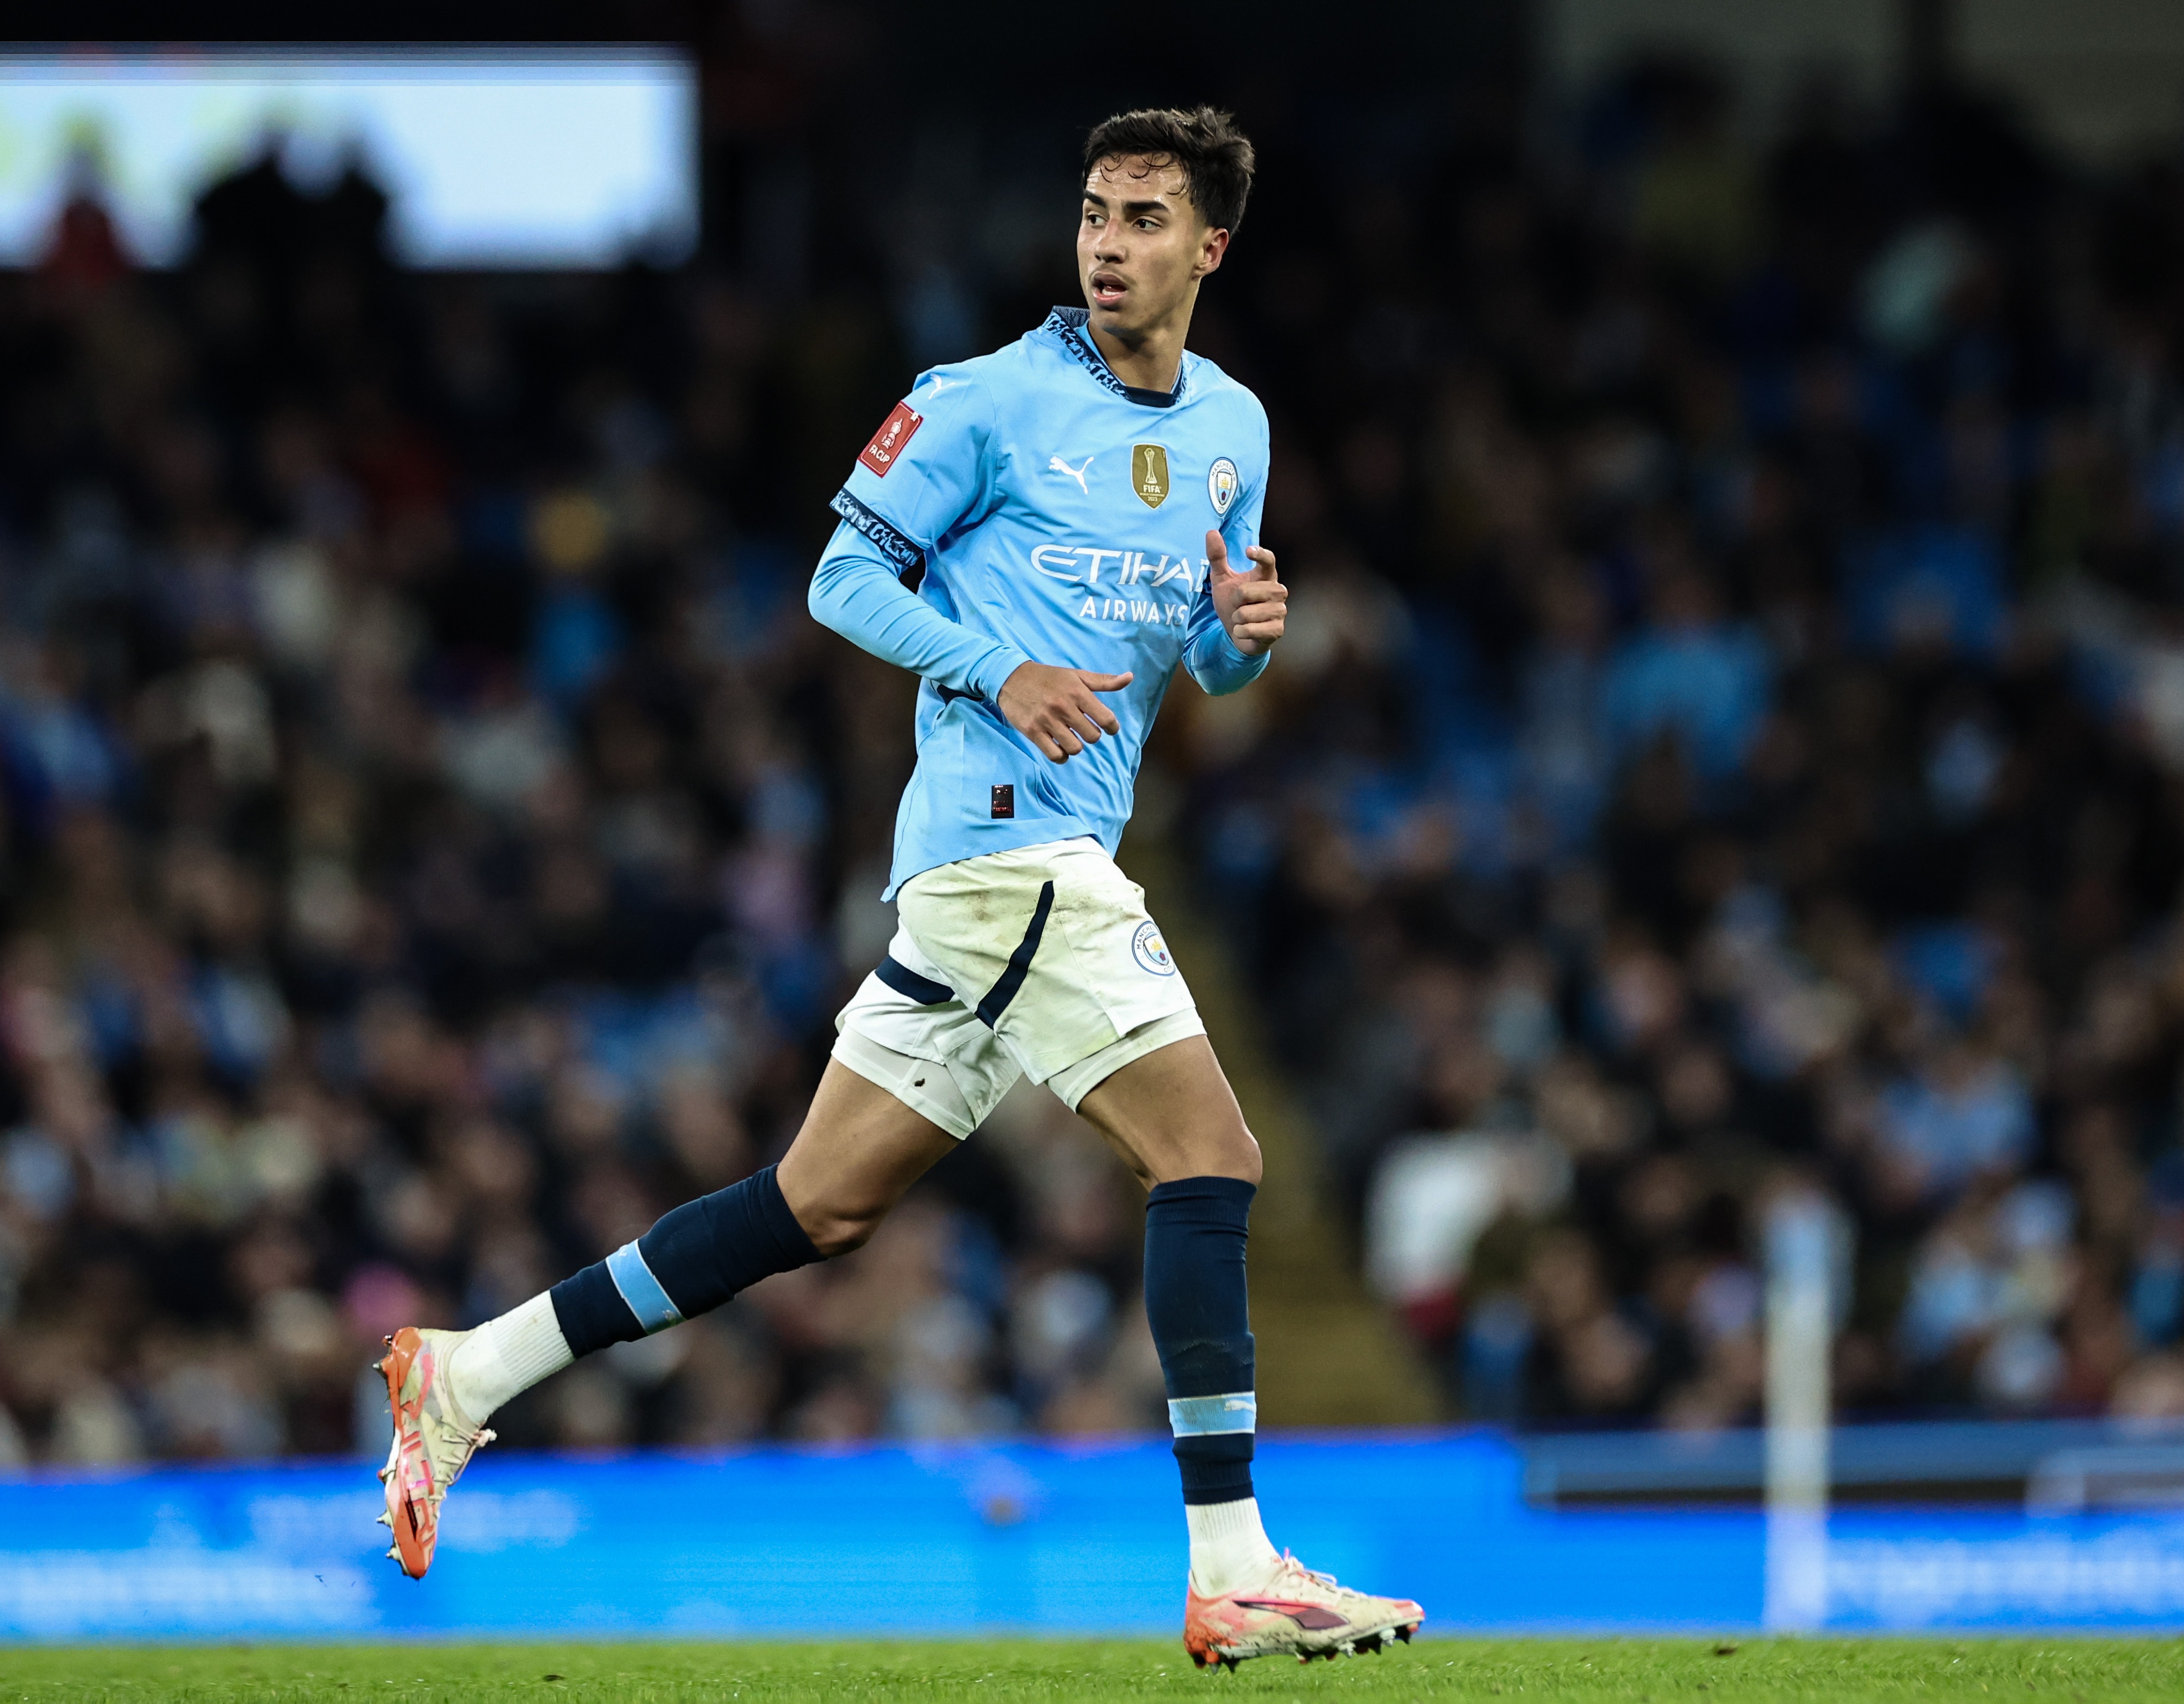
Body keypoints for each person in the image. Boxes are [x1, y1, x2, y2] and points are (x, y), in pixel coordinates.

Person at [373, 105, 1424, 1668]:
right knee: (1211, 1154)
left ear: (1211, 247)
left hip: (1043, 860)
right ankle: (1233, 1564)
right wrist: (1000, 667)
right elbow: (840, 578)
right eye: (1095, 213)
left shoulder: (1234, 429)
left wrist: (1240, 635)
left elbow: (1200, 658)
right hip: (1005, 848)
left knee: (818, 1202)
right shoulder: (982, 399)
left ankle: (469, 1373)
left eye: (1144, 220)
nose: (1109, 244)